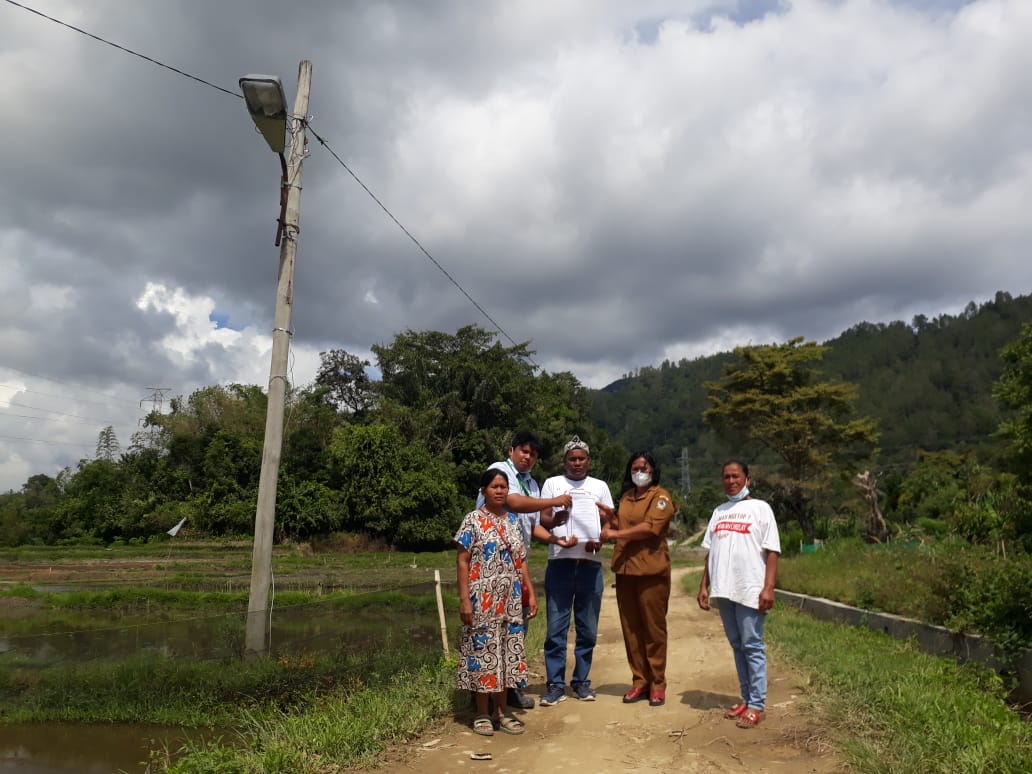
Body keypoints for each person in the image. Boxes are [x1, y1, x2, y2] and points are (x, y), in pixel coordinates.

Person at [475, 432, 573, 709]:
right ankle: (482, 692)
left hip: (518, 563)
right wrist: (554, 502)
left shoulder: (532, 483)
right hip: (490, 561)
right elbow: (514, 503)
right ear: (512, 450)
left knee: (517, 627)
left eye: (533, 454)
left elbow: (535, 527)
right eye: (524, 451)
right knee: (488, 628)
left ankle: (510, 689)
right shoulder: (500, 471)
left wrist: (556, 535)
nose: (528, 457)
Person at [696, 460, 781, 729]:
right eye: (726, 477)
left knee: (752, 645)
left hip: (750, 589)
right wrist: (703, 585)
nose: (731, 481)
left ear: (748, 478)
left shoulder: (761, 509)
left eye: (736, 476)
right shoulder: (719, 511)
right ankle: (746, 698)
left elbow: (772, 551)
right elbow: (711, 552)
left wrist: (768, 587)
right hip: (724, 590)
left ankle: (758, 704)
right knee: (737, 646)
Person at [534, 436, 615, 706]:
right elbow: (543, 519)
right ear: (565, 461)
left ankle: (581, 682)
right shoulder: (552, 484)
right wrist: (556, 519)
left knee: (588, 630)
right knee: (556, 630)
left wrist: (600, 540)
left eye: (581, 458)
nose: (577, 463)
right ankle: (555, 684)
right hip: (560, 562)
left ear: (588, 461)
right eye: (572, 458)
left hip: (590, 564)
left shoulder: (599, 487)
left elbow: (607, 523)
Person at [456, 468, 538, 736]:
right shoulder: (473, 520)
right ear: (483, 491)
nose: (500, 490)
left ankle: (501, 712)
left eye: (503, 486)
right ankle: (481, 712)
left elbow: (521, 560)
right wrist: (465, 600)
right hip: (483, 600)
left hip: (511, 600)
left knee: (506, 654)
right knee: (484, 654)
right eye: (494, 486)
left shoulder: (514, 521)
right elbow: (462, 560)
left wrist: (531, 591)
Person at [601, 451, 674, 707]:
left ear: (653, 470)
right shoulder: (627, 497)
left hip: (651, 571)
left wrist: (613, 534)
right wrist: (610, 519)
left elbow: (650, 528)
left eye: (644, 467)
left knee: (653, 629)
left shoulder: (660, 497)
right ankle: (639, 681)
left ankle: (657, 682)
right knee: (631, 629)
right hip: (626, 570)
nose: (639, 472)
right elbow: (623, 525)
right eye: (634, 468)